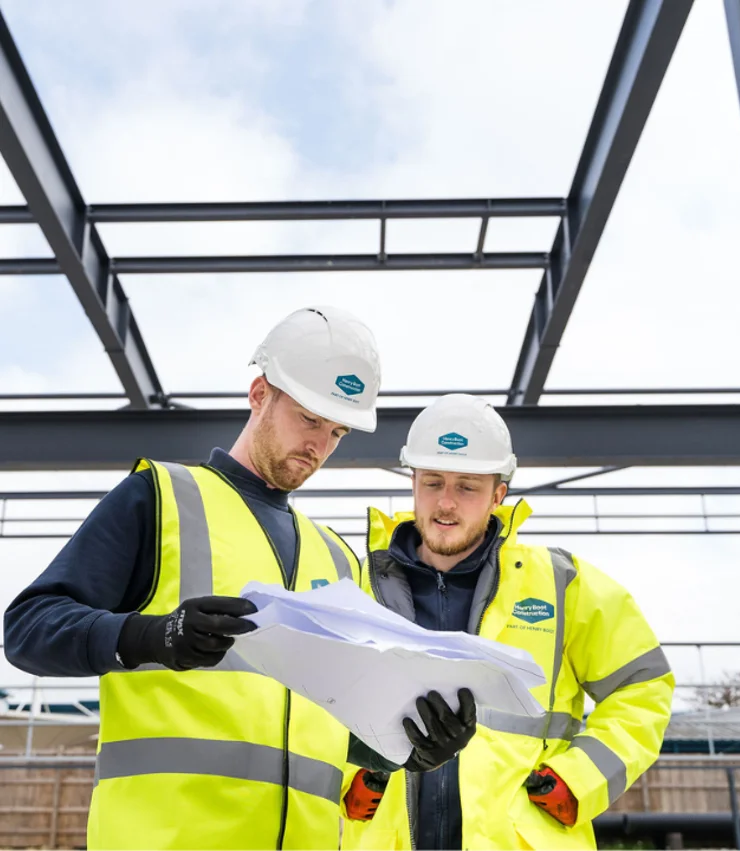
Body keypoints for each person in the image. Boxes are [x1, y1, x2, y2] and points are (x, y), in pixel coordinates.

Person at [3, 308, 476, 851]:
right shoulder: (161, 499)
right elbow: (28, 628)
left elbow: (325, 724)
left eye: (337, 431)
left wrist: (412, 747)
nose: (319, 446)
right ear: (259, 394)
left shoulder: (338, 558)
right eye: (309, 419)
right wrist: (151, 637)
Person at [341, 394, 675, 850]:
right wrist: (351, 779)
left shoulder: (562, 585)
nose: (445, 504)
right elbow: (308, 707)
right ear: (412, 481)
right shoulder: (355, 586)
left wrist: (576, 779)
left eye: (467, 487)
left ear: (498, 495)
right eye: (433, 482)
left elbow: (643, 686)